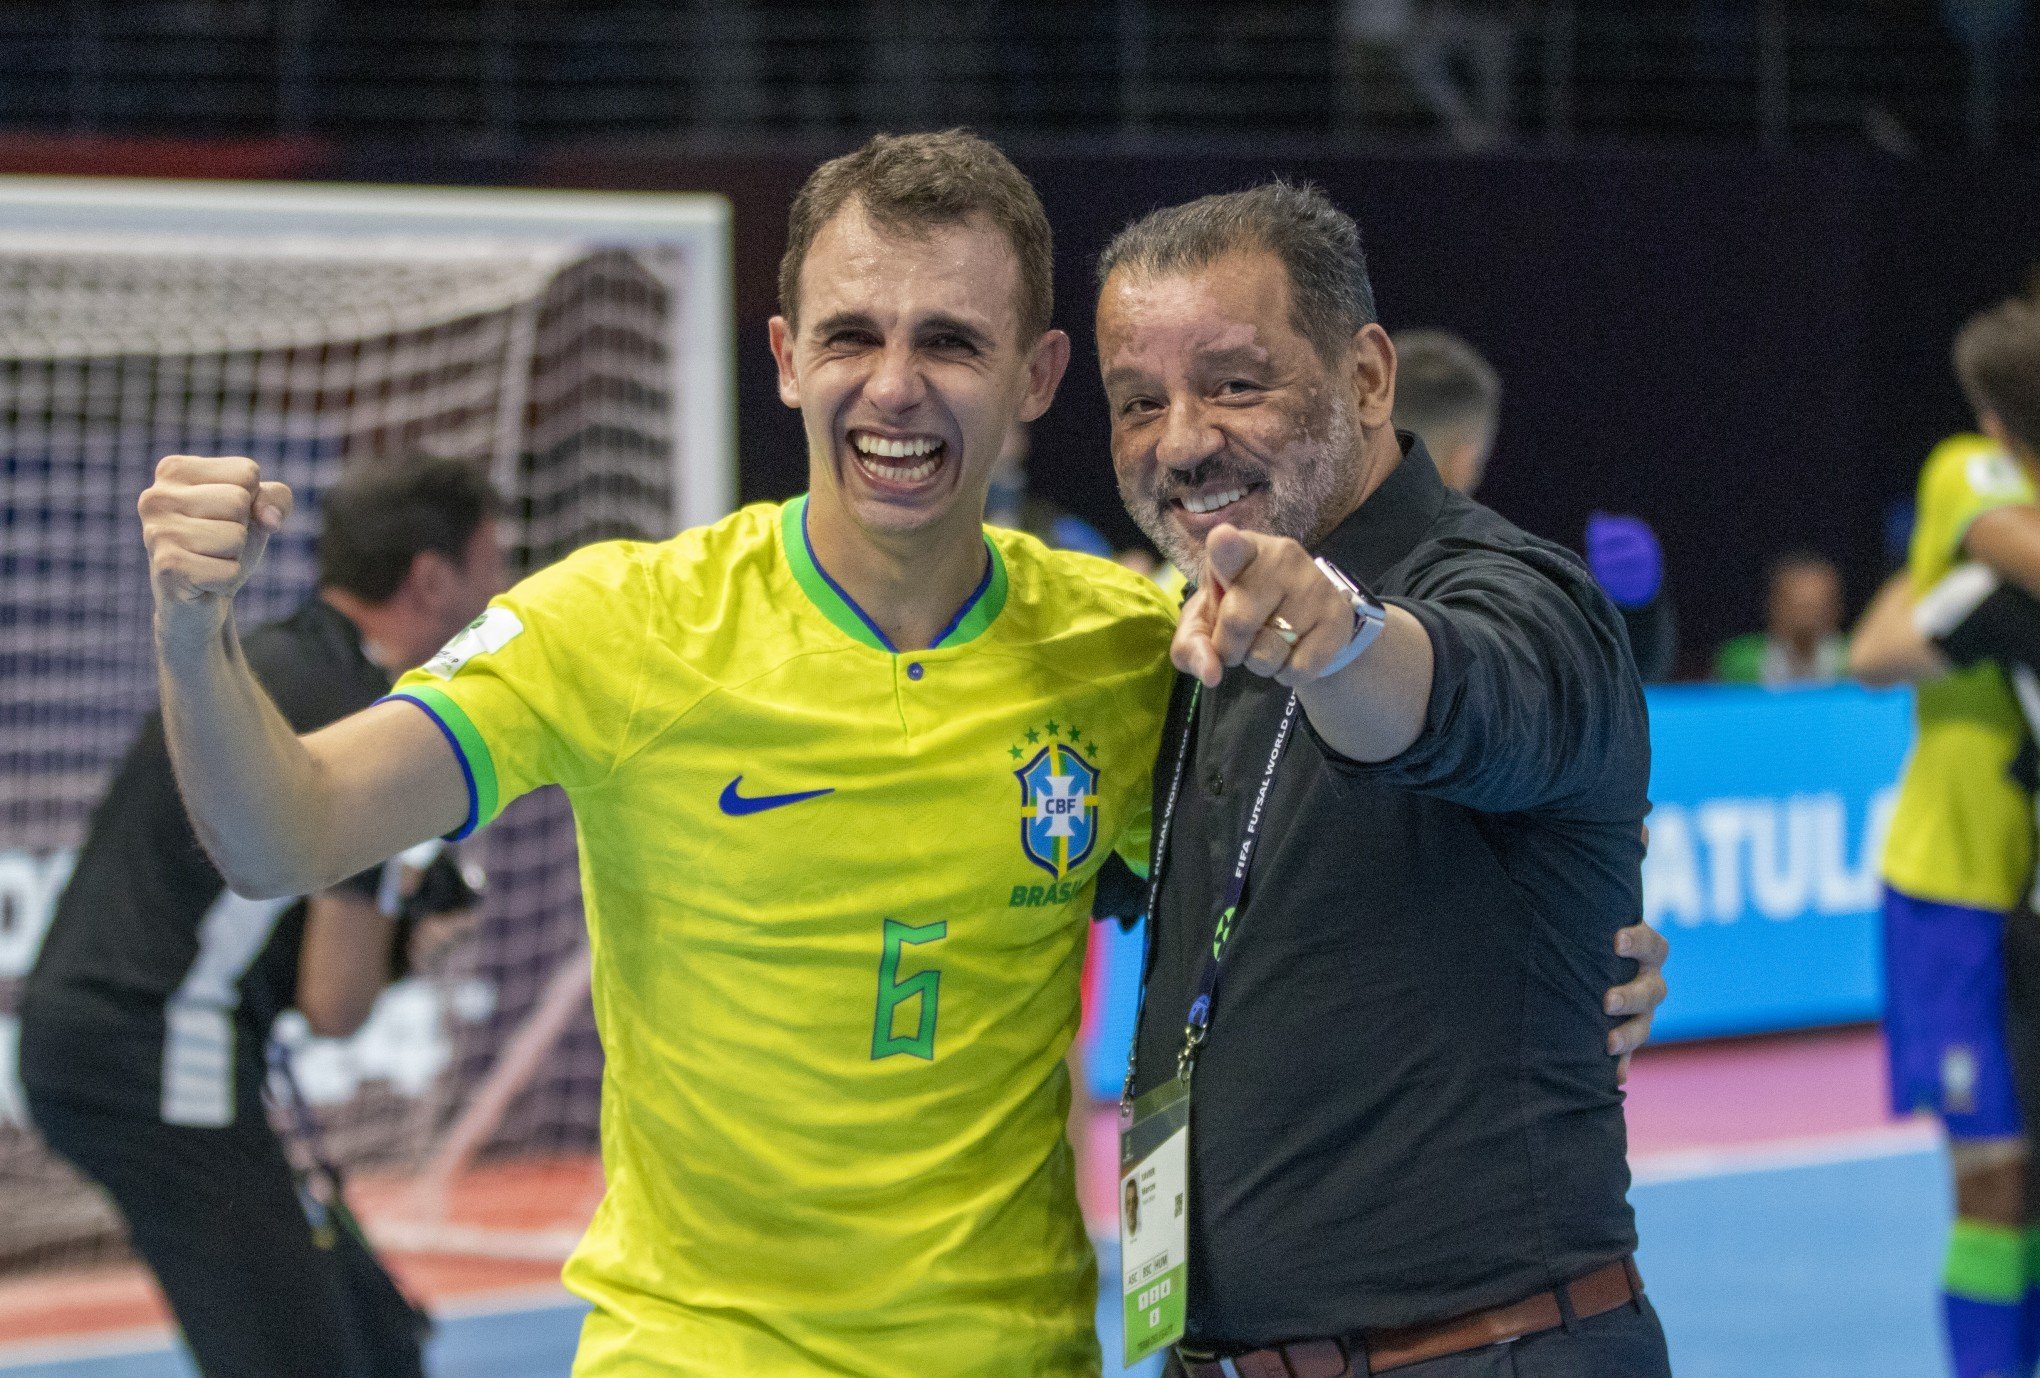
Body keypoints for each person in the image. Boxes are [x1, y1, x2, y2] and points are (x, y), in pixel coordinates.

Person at [133, 131, 1667, 1377]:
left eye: (951, 339)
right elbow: (284, 833)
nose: (894, 385)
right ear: (790, 355)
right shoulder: (621, 622)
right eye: (854, 335)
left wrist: (1566, 956)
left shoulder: (1130, 649)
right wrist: (195, 632)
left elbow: (1386, 796)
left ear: (1036, 378)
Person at [1098, 183, 1669, 1375]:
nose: (1182, 438)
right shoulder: (1193, 641)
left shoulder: (1522, 597)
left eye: (1235, 381)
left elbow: (1449, 694)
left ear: (1367, 377)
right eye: (1138, 401)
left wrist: (1339, 633)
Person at [17, 457, 503, 1378]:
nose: (505, 587)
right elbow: (335, 1003)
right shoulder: (362, 718)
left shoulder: (276, 666)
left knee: (376, 1337)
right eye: (493, 563)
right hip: (156, 1047)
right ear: (432, 580)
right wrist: (408, 933)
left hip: (125, 1038)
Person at [1851, 295, 2040, 1378]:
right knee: (1993, 1180)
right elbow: (1881, 642)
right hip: (1955, 893)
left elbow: (1887, 639)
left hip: (2027, 903)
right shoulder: (1974, 468)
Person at [1391, 327, 1678, 680]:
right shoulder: (1493, 580)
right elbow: (1593, 691)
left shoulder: (1314, 548)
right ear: (1467, 459)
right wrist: (1637, 616)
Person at [1714, 552, 1849, 685]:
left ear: (1837, 608)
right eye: (1797, 605)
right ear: (1772, 605)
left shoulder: (1853, 658)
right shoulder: (1739, 661)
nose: (1806, 617)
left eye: (1817, 605)